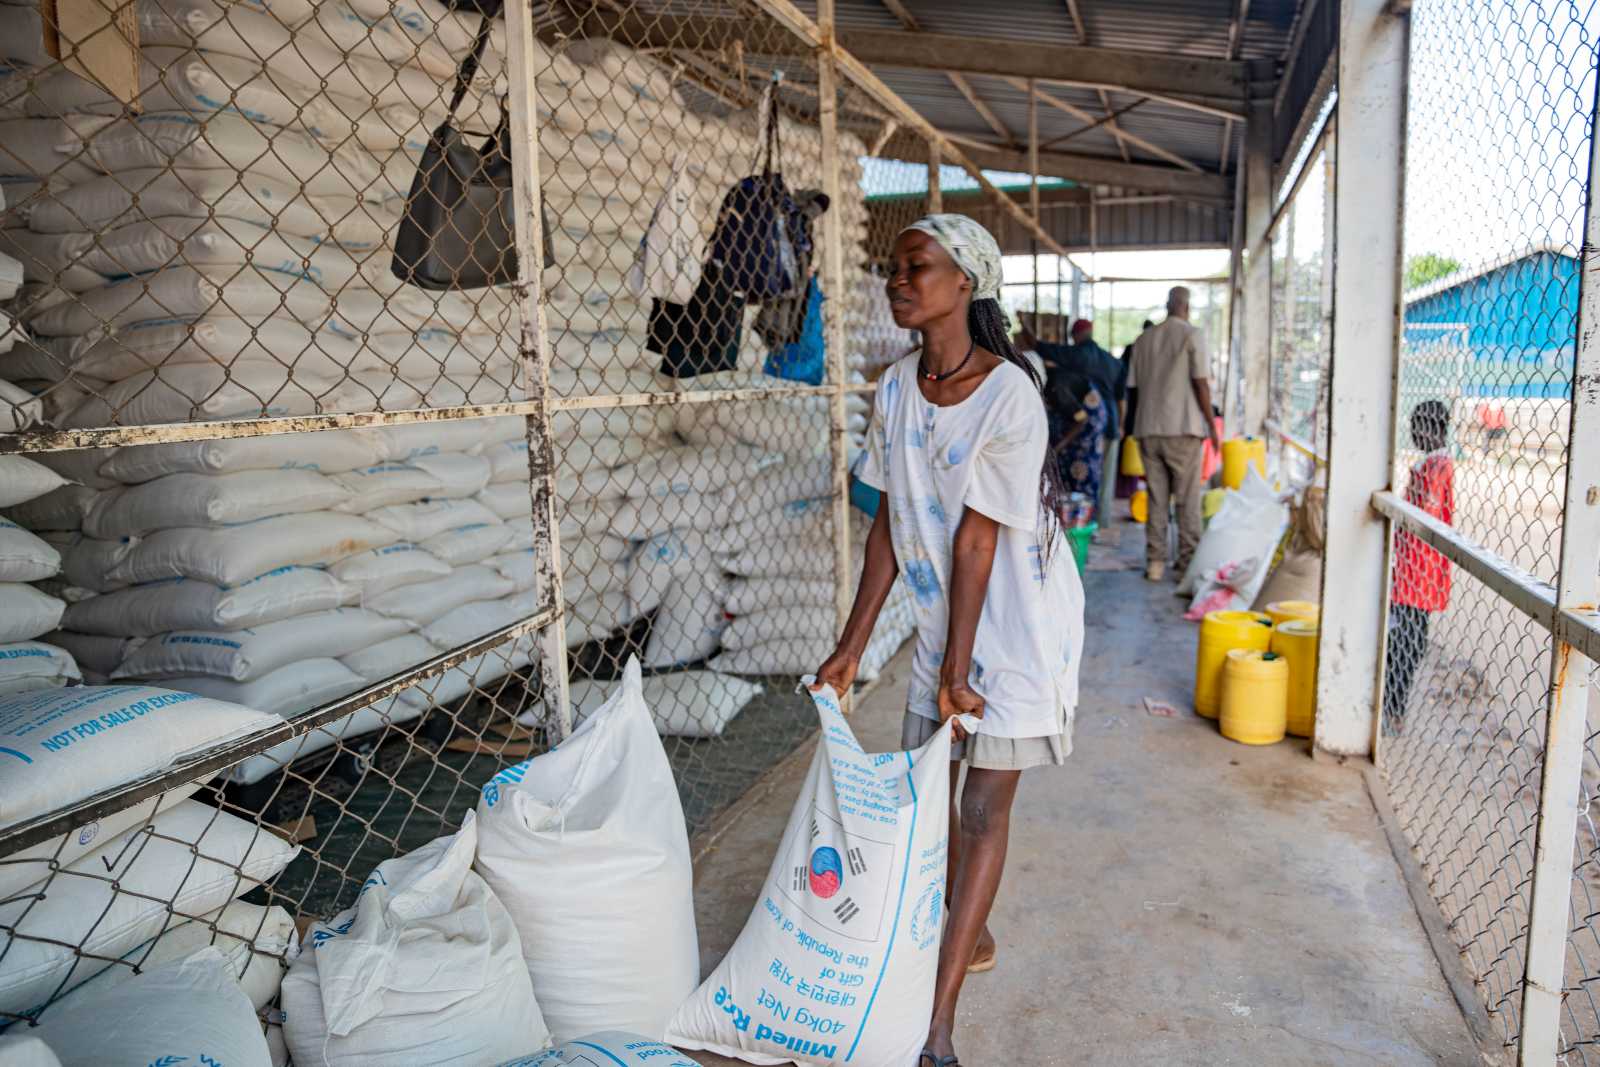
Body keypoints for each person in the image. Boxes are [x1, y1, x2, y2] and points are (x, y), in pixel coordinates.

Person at [812, 214, 1084, 1067]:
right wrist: (854, 643)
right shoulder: (896, 387)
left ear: (964, 283)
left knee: (977, 804)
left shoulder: (1009, 395)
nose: (897, 281)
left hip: (1014, 625)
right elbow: (891, 521)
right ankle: (972, 914)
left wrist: (957, 673)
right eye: (893, 269)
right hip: (948, 621)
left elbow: (977, 541)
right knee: (928, 802)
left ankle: (936, 1027)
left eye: (915, 267)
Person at [1125, 286, 1221, 581]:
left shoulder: (1143, 340)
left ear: (1168, 305)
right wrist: (1211, 425)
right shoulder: (1193, 335)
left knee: (1156, 497)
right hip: (1183, 428)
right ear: (1187, 306)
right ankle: (1185, 565)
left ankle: (1155, 563)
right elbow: (1201, 383)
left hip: (1148, 428)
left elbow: (1133, 389)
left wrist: (1132, 427)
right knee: (1187, 499)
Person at [1384, 399, 1454, 734]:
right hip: (1412, 573)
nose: (1415, 434)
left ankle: (1393, 710)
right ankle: (1391, 706)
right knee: (1402, 641)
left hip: (1416, 574)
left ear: (1435, 430)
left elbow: (1425, 512)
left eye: (1420, 427)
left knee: (1404, 644)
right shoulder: (1430, 465)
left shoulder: (1436, 469)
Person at [1021, 318, 1126, 523]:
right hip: (1109, 423)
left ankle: (1083, 522)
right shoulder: (1112, 361)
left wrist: (1024, 323)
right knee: (1101, 478)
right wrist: (1121, 424)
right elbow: (1121, 399)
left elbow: (1037, 345)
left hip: (1086, 425)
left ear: (1074, 335)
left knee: (1083, 473)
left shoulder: (1071, 359)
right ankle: (1098, 522)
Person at [1046, 369, 1108, 505]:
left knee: (1081, 469)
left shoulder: (1057, 389)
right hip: (1078, 419)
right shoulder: (1050, 385)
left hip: (1088, 423)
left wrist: (1057, 448)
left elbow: (1081, 421)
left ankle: (1082, 514)